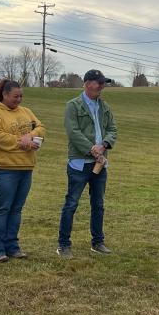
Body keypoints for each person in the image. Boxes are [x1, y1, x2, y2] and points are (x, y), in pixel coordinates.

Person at [0, 79, 46, 262]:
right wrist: (22, 142)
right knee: (2, 209)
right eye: (15, 96)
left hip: (25, 168)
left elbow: (41, 128)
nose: (19, 100)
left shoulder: (26, 112)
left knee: (16, 209)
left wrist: (31, 136)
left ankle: (12, 245)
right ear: (5, 94)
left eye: (21, 96)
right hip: (2, 169)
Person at [57, 70, 117, 258]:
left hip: (99, 164)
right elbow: (73, 132)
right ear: (87, 83)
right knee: (71, 203)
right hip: (79, 163)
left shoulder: (105, 107)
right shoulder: (73, 106)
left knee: (98, 204)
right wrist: (92, 149)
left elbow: (112, 129)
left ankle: (97, 242)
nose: (101, 86)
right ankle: (63, 245)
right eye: (98, 83)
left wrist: (105, 144)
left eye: (103, 83)